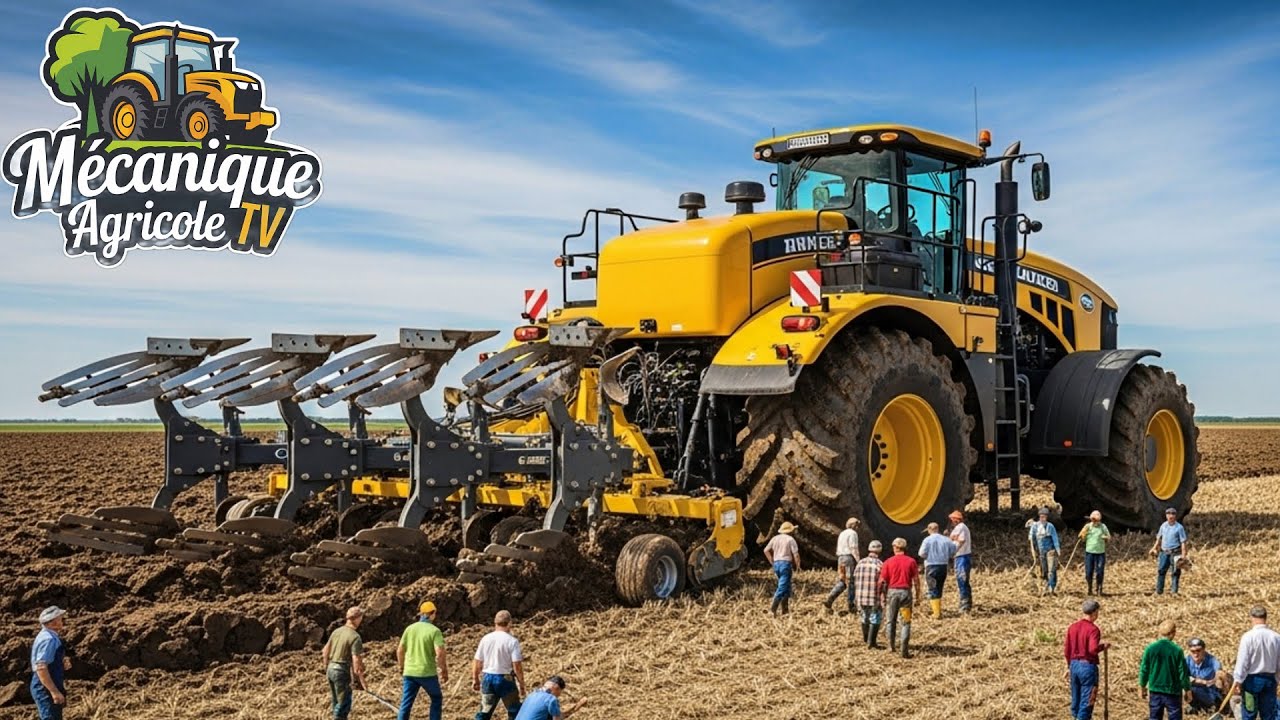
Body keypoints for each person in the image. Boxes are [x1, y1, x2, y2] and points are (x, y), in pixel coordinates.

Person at [398, 601, 448, 720]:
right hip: (427, 672)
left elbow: (400, 650)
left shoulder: (409, 629)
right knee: (436, 698)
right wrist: (443, 669)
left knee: (406, 703)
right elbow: (440, 652)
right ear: (432, 614)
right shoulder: (434, 631)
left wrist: (401, 667)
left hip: (409, 672)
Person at [473, 610, 526, 720]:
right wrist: (521, 684)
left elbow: (477, 661)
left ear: (495, 622)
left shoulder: (486, 639)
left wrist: (475, 679)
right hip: (504, 679)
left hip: (487, 678)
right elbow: (517, 666)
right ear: (509, 623)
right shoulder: (512, 641)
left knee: (484, 711)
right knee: (514, 710)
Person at [1232, 606, 1280, 720]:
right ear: (1265, 618)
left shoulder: (1248, 637)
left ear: (1252, 618)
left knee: (1249, 711)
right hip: (1269, 680)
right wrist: (1277, 678)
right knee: (1268, 714)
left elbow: (1242, 661)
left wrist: (1238, 680)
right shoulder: (1276, 637)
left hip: (1251, 681)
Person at [1065, 599, 1110, 720]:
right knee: (1087, 700)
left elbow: (1067, 650)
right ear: (1094, 613)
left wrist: (1069, 666)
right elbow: (1092, 649)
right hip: (1087, 667)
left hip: (1074, 665)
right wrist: (1103, 647)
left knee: (1076, 698)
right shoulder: (1093, 629)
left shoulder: (1072, 627)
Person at [1139, 619, 1192, 720]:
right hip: (1173, 692)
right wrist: (1187, 689)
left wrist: (1142, 686)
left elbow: (1144, 669)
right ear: (1173, 633)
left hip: (1155, 690)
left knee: (1155, 717)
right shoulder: (1177, 650)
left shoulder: (1150, 649)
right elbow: (1183, 673)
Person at [879, 537, 923, 658]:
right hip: (906, 594)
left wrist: (881, 594)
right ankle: (904, 650)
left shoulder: (888, 562)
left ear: (896, 547)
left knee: (890, 620)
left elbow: (882, 581)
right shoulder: (911, 561)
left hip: (892, 593)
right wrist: (918, 595)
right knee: (905, 622)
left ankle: (891, 646)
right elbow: (916, 580)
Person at [322, 606, 367, 720]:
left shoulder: (337, 631)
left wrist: (326, 667)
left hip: (331, 669)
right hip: (341, 671)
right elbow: (356, 661)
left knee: (336, 700)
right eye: (361, 617)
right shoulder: (355, 637)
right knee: (343, 703)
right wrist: (361, 682)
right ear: (357, 618)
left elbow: (325, 651)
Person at [30, 606, 71, 720]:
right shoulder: (49, 640)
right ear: (53, 622)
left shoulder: (47, 636)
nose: (62, 621)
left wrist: (61, 662)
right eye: (60, 619)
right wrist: (54, 692)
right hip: (45, 688)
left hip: (46, 684)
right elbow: (41, 668)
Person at [918, 522, 956, 619]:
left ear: (930, 530)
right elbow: (953, 551)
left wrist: (928, 556)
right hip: (943, 565)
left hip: (931, 565)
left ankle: (936, 613)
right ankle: (938, 609)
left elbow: (921, 553)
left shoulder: (927, 540)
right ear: (938, 529)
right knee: (939, 587)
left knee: (932, 588)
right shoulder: (946, 540)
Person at [823, 517, 861, 613]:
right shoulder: (853, 534)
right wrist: (858, 560)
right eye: (857, 525)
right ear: (854, 525)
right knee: (852, 582)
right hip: (848, 558)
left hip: (840, 558)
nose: (858, 527)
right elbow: (853, 548)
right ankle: (851, 605)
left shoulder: (842, 533)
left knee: (843, 581)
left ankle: (829, 599)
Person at [763, 521, 800, 616]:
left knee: (786, 586)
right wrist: (798, 566)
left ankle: (785, 610)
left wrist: (772, 561)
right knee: (782, 587)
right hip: (785, 564)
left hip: (777, 564)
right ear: (790, 531)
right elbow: (796, 555)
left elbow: (766, 550)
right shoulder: (790, 540)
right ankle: (773, 609)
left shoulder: (775, 538)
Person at [853, 540, 885, 648]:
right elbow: (882, 582)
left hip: (861, 596)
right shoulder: (880, 564)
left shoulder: (860, 562)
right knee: (875, 617)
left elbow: (854, 578)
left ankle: (865, 639)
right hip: (874, 596)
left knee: (864, 616)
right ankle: (872, 643)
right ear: (879, 551)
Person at [1150, 508, 1188, 595]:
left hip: (1175, 553)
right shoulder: (1163, 526)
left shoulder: (1179, 528)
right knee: (1161, 571)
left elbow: (1183, 542)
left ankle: (1174, 592)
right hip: (1164, 552)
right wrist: (1154, 548)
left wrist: (1183, 555)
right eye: (1168, 514)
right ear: (1166, 515)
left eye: (1173, 514)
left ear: (1175, 516)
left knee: (1175, 572)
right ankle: (1159, 591)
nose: (1171, 516)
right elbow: (1159, 539)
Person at [1184, 637, 1228, 713]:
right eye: (1193, 651)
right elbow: (1182, 676)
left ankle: (1213, 706)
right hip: (1193, 692)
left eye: (1198, 651)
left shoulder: (1212, 660)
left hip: (1209, 692)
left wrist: (1217, 679)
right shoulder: (1187, 660)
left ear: (1204, 650)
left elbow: (1220, 672)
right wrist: (1201, 681)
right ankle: (1195, 707)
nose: (1195, 654)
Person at [513, 676, 587, 720]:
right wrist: (577, 706)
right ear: (556, 688)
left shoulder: (532, 694)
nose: (558, 696)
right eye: (559, 693)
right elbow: (557, 718)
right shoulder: (550, 699)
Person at [1029, 507, 1061, 593]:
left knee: (1051, 569)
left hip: (1050, 550)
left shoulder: (1050, 526)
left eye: (1044, 517)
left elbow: (1055, 538)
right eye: (1041, 517)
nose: (1042, 519)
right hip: (1041, 551)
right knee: (1044, 569)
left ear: (1047, 517)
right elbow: (1032, 539)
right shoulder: (1035, 526)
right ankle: (1045, 586)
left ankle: (1052, 587)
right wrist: (1034, 550)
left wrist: (1057, 549)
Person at [1078, 511, 1111, 596]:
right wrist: (1082, 535)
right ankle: (1089, 588)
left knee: (1100, 571)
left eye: (1096, 520)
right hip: (1089, 552)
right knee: (1089, 572)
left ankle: (1099, 589)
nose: (1095, 522)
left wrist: (1105, 537)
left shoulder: (1103, 527)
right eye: (1093, 520)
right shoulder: (1088, 526)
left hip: (1100, 553)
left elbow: (1109, 537)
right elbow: (1081, 536)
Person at [947, 510, 973, 612]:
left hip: (962, 556)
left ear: (956, 520)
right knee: (962, 580)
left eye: (953, 519)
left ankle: (965, 604)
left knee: (962, 579)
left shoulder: (961, 527)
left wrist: (952, 550)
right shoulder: (959, 528)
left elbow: (960, 541)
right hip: (960, 556)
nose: (951, 521)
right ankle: (966, 602)